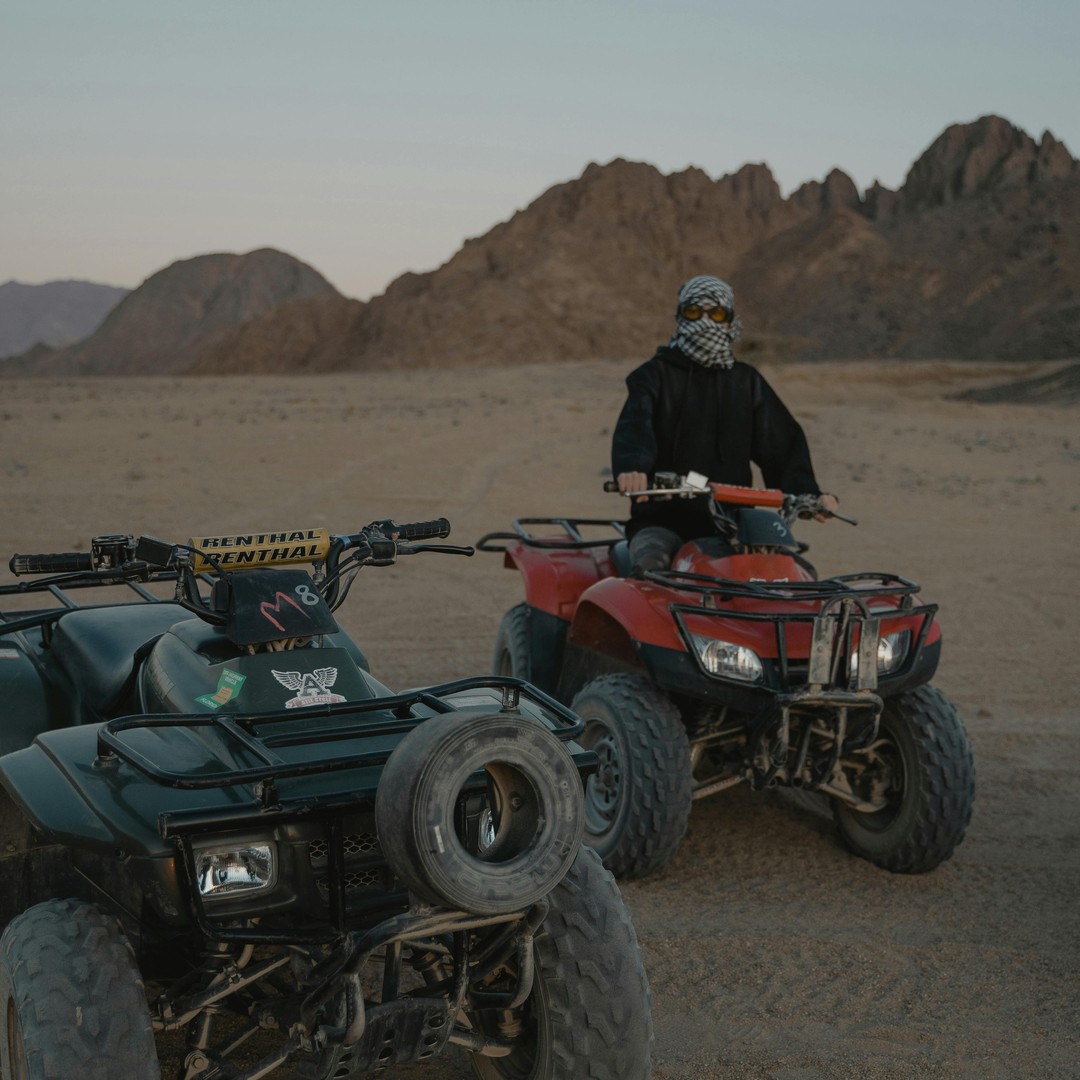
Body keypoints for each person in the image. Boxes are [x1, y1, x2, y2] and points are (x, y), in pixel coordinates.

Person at [611, 274, 839, 572]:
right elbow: (635, 429)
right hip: (664, 520)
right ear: (680, 317)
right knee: (651, 571)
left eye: (716, 314)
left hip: (735, 522)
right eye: (694, 312)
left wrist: (808, 493)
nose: (705, 322)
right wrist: (633, 470)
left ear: (730, 322)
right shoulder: (653, 376)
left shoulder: (746, 382)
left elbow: (781, 443)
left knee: (796, 575)